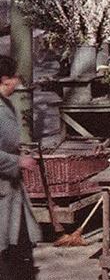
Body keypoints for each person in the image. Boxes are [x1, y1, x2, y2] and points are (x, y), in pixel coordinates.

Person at [0, 56, 40, 279]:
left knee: (14, 243)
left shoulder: (5, 102)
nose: (18, 81)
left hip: (10, 188)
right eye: (15, 77)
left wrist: (20, 152)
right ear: (5, 79)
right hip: (3, 184)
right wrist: (17, 161)